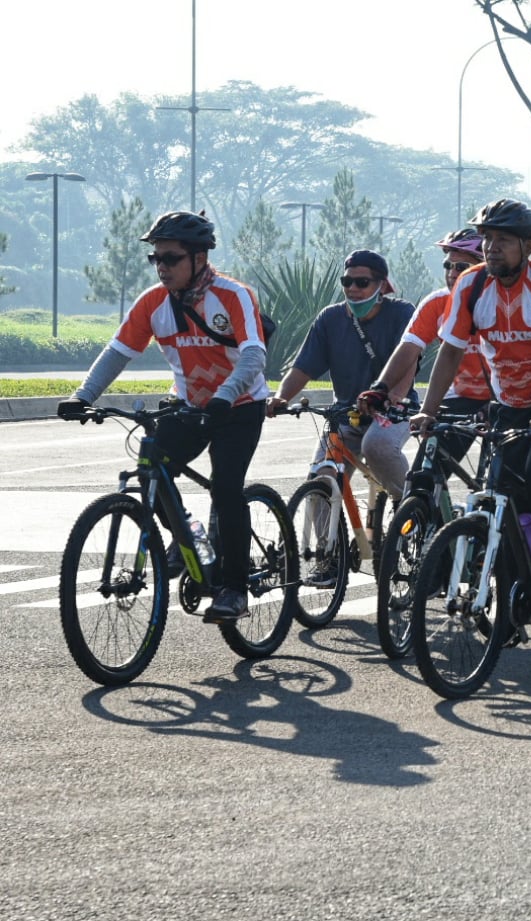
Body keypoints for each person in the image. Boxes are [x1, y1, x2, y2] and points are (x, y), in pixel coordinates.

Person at [56, 211, 269, 622]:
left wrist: (225, 395)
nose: (161, 266)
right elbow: (118, 352)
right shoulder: (154, 302)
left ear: (199, 258)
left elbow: (254, 355)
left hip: (239, 406)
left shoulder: (232, 295)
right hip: (188, 405)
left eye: (171, 258)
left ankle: (234, 589)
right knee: (152, 467)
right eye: (156, 258)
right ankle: (190, 540)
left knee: (226, 488)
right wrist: (83, 396)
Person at [407, 199, 531, 575]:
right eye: (487, 238)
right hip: (508, 401)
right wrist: (428, 410)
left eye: (503, 240)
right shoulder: (471, 285)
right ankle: (514, 587)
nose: (491, 247)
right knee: (501, 496)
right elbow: (450, 353)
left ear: (529, 246)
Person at [268, 249, 417, 504]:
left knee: (377, 446)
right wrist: (280, 397)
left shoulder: (402, 313)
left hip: (393, 412)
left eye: (362, 282)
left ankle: (411, 508)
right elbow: (302, 368)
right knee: (321, 479)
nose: (353, 288)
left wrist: (394, 398)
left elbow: (409, 360)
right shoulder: (330, 318)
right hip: (346, 414)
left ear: (382, 286)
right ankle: (326, 531)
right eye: (347, 282)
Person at [359, 228, 490, 464]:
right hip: (462, 394)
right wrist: (380, 388)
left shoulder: (500, 301)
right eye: (448, 265)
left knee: (510, 478)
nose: (452, 273)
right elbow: (409, 348)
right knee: (424, 474)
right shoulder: (437, 303)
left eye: (461, 267)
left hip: (506, 396)